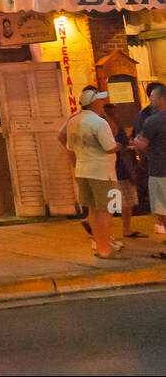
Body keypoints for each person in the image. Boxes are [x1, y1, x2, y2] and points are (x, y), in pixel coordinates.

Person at [59, 87, 122, 259]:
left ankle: (99, 245)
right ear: (93, 103)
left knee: (93, 211)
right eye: (100, 101)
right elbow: (109, 146)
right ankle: (105, 248)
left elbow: (69, 146)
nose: (103, 104)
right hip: (103, 172)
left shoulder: (74, 121)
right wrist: (120, 146)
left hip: (83, 169)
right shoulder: (99, 122)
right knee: (106, 210)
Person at [99, 103, 143, 241]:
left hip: (110, 169)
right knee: (125, 200)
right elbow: (122, 145)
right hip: (120, 168)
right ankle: (124, 230)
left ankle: (120, 230)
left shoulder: (101, 128)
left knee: (117, 202)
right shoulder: (111, 127)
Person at [133, 83, 166, 253]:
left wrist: (138, 142)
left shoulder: (152, 120)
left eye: (153, 97)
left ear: (161, 98)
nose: (150, 100)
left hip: (160, 168)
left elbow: (141, 143)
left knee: (163, 206)